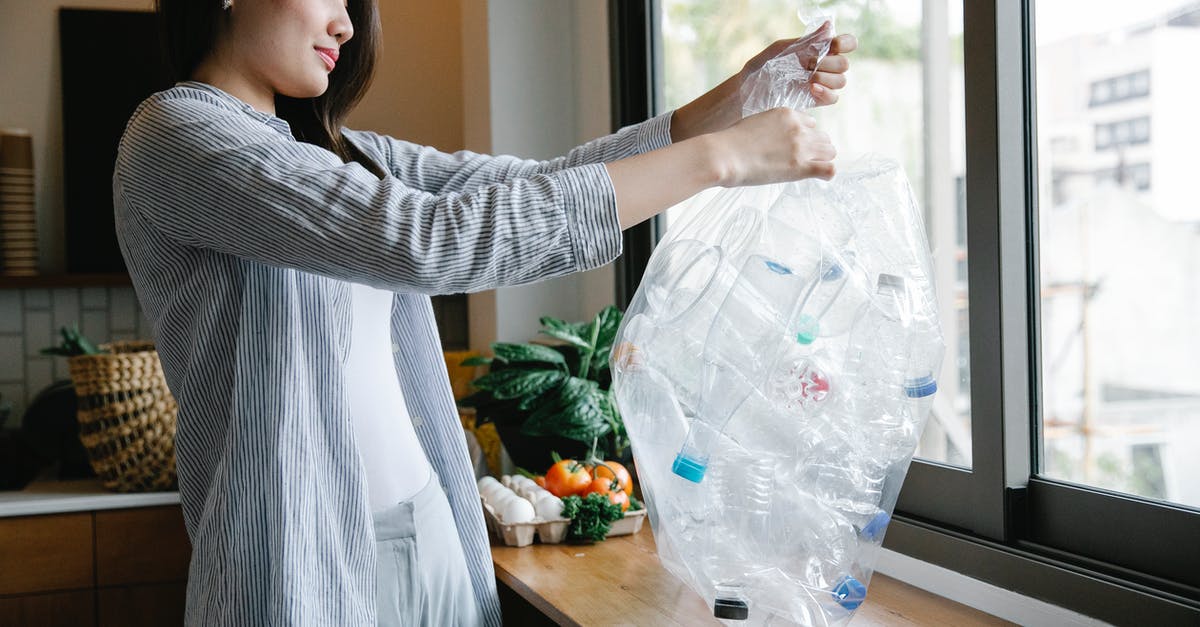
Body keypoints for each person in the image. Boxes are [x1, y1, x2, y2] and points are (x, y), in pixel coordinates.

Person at [113, 0, 856, 625]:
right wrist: (720, 159)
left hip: (432, 527)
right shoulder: (176, 135)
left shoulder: (349, 155)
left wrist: (739, 97)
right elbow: (428, 242)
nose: (345, 24)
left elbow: (543, 185)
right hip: (294, 566)